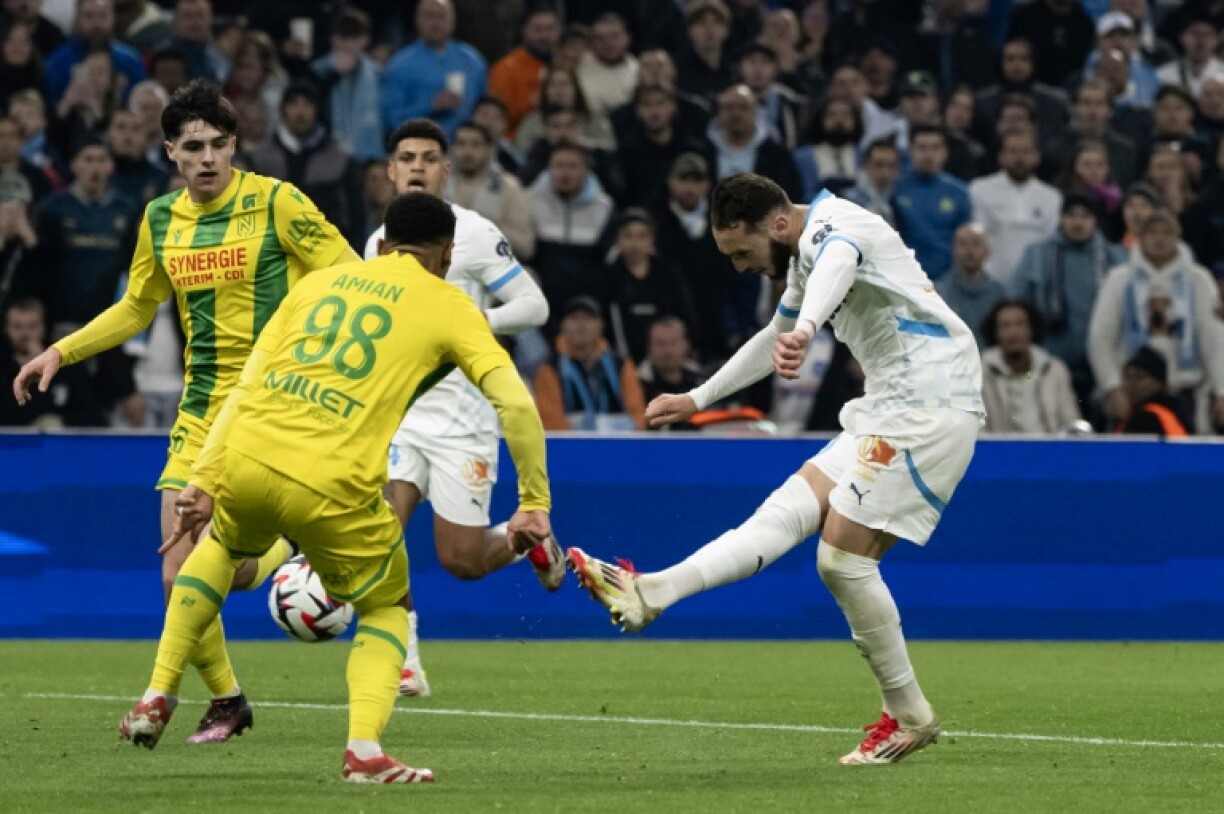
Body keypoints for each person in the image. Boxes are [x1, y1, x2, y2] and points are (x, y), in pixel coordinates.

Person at [117, 191, 553, 783]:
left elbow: (245, 386)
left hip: (247, 455)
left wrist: (204, 478)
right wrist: (534, 502)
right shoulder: (452, 305)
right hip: (332, 478)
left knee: (219, 548)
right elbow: (516, 406)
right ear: (447, 254)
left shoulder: (316, 284)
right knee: (387, 606)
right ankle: (364, 752)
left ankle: (157, 692)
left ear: (383, 242)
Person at [568, 174, 984, 765]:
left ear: (780, 224)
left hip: (930, 403)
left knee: (842, 559)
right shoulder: (806, 254)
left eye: (743, 252)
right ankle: (654, 592)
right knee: (786, 510)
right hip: (889, 404)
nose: (741, 267)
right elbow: (775, 336)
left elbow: (838, 261)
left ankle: (909, 714)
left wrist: (808, 329)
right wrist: (697, 397)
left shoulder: (836, 228)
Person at [12, 79, 359, 743]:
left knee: (223, 567)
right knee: (179, 572)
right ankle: (229, 697)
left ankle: (165, 690)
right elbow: (137, 307)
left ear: (235, 145)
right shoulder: (160, 218)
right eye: (193, 147)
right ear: (170, 151)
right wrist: (61, 351)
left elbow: (347, 278)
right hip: (201, 410)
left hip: (271, 407)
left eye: (219, 145)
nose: (207, 158)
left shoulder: (277, 202)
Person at [364, 119, 557, 697]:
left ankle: (528, 541)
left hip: (463, 424)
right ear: (390, 170)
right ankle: (405, 660)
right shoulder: (374, 244)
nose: (417, 167)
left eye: (429, 158)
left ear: (446, 171)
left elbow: (535, 307)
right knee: (378, 533)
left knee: (462, 561)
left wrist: (471, 324)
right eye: (407, 157)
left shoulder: (472, 233)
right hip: (401, 417)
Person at [533, 294, 646, 431]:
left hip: (617, 442)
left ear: (601, 326)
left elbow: (638, 416)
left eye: (588, 319)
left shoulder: (621, 365)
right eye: (574, 319)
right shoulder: (550, 368)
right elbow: (551, 422)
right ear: (563, 325)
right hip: (570, 443)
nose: (581, 325)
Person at [979, 298, 1081, 434]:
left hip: (1049, 445)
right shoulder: (981, 373)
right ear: (995, 332)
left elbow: (1071, 423)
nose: (1013, 333)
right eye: (1006, 326)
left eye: (1020, 324)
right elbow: (978, 427)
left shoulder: (1055, 370)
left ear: (1031, 329)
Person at [935, 223, 1005, 350]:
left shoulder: (1000, 294)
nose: (969, 250)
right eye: (963, 244)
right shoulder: (939, 292)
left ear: (987, 251)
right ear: (953, 251)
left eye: (976, 243)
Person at [1113, 344, 1189, 436]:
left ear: (1159, 383)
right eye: (1127, 377)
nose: (1131, 383)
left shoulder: (1149, 418)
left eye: (1139, 377)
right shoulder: (1129, 413)